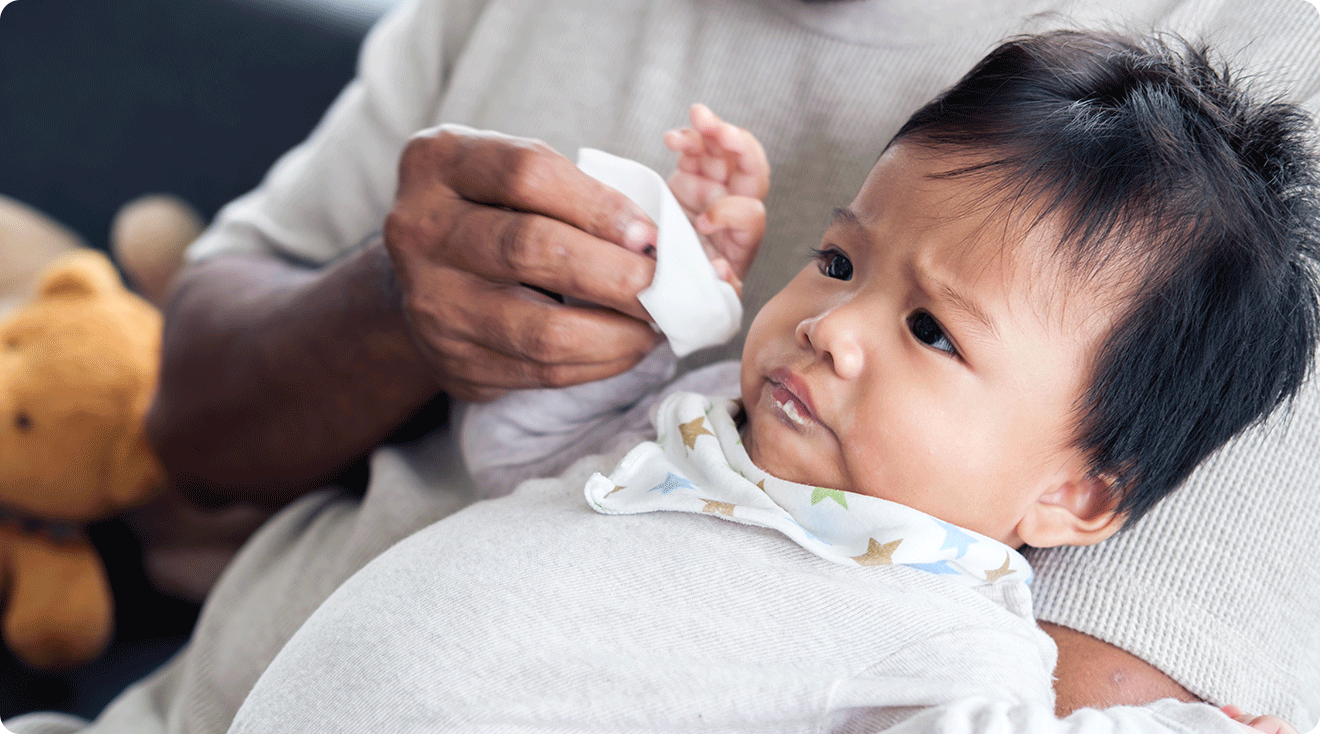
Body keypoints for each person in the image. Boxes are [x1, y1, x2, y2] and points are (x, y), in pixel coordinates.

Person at [7, 1, 1318, 733]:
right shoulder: (707, 427)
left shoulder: (940, 641)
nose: (830, 324)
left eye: (933, 333)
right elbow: (521, 454)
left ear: (1080, 497)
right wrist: (657, 295)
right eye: (841, 261)